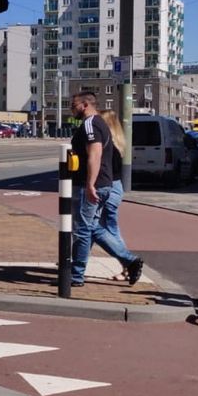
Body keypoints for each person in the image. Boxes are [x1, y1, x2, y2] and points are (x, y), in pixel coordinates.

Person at [69, 92, 143, 286]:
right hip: (104, 183)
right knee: (93, 228)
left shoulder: (90, 124)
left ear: (85, 105)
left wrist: (90, 184)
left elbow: (95, 154)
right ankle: (130, 261)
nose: (71, 108)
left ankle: (76, 276)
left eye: (73, 104)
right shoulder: (101, 123)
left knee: (82, 230)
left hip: (94, 185)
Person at [100, 109, 132, 282]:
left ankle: (129, 264)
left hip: (109, 187)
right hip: (115, 187)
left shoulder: (108, 145)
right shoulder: (118, 143)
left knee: (105, 229)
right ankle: (75, 261)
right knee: (104, 227)